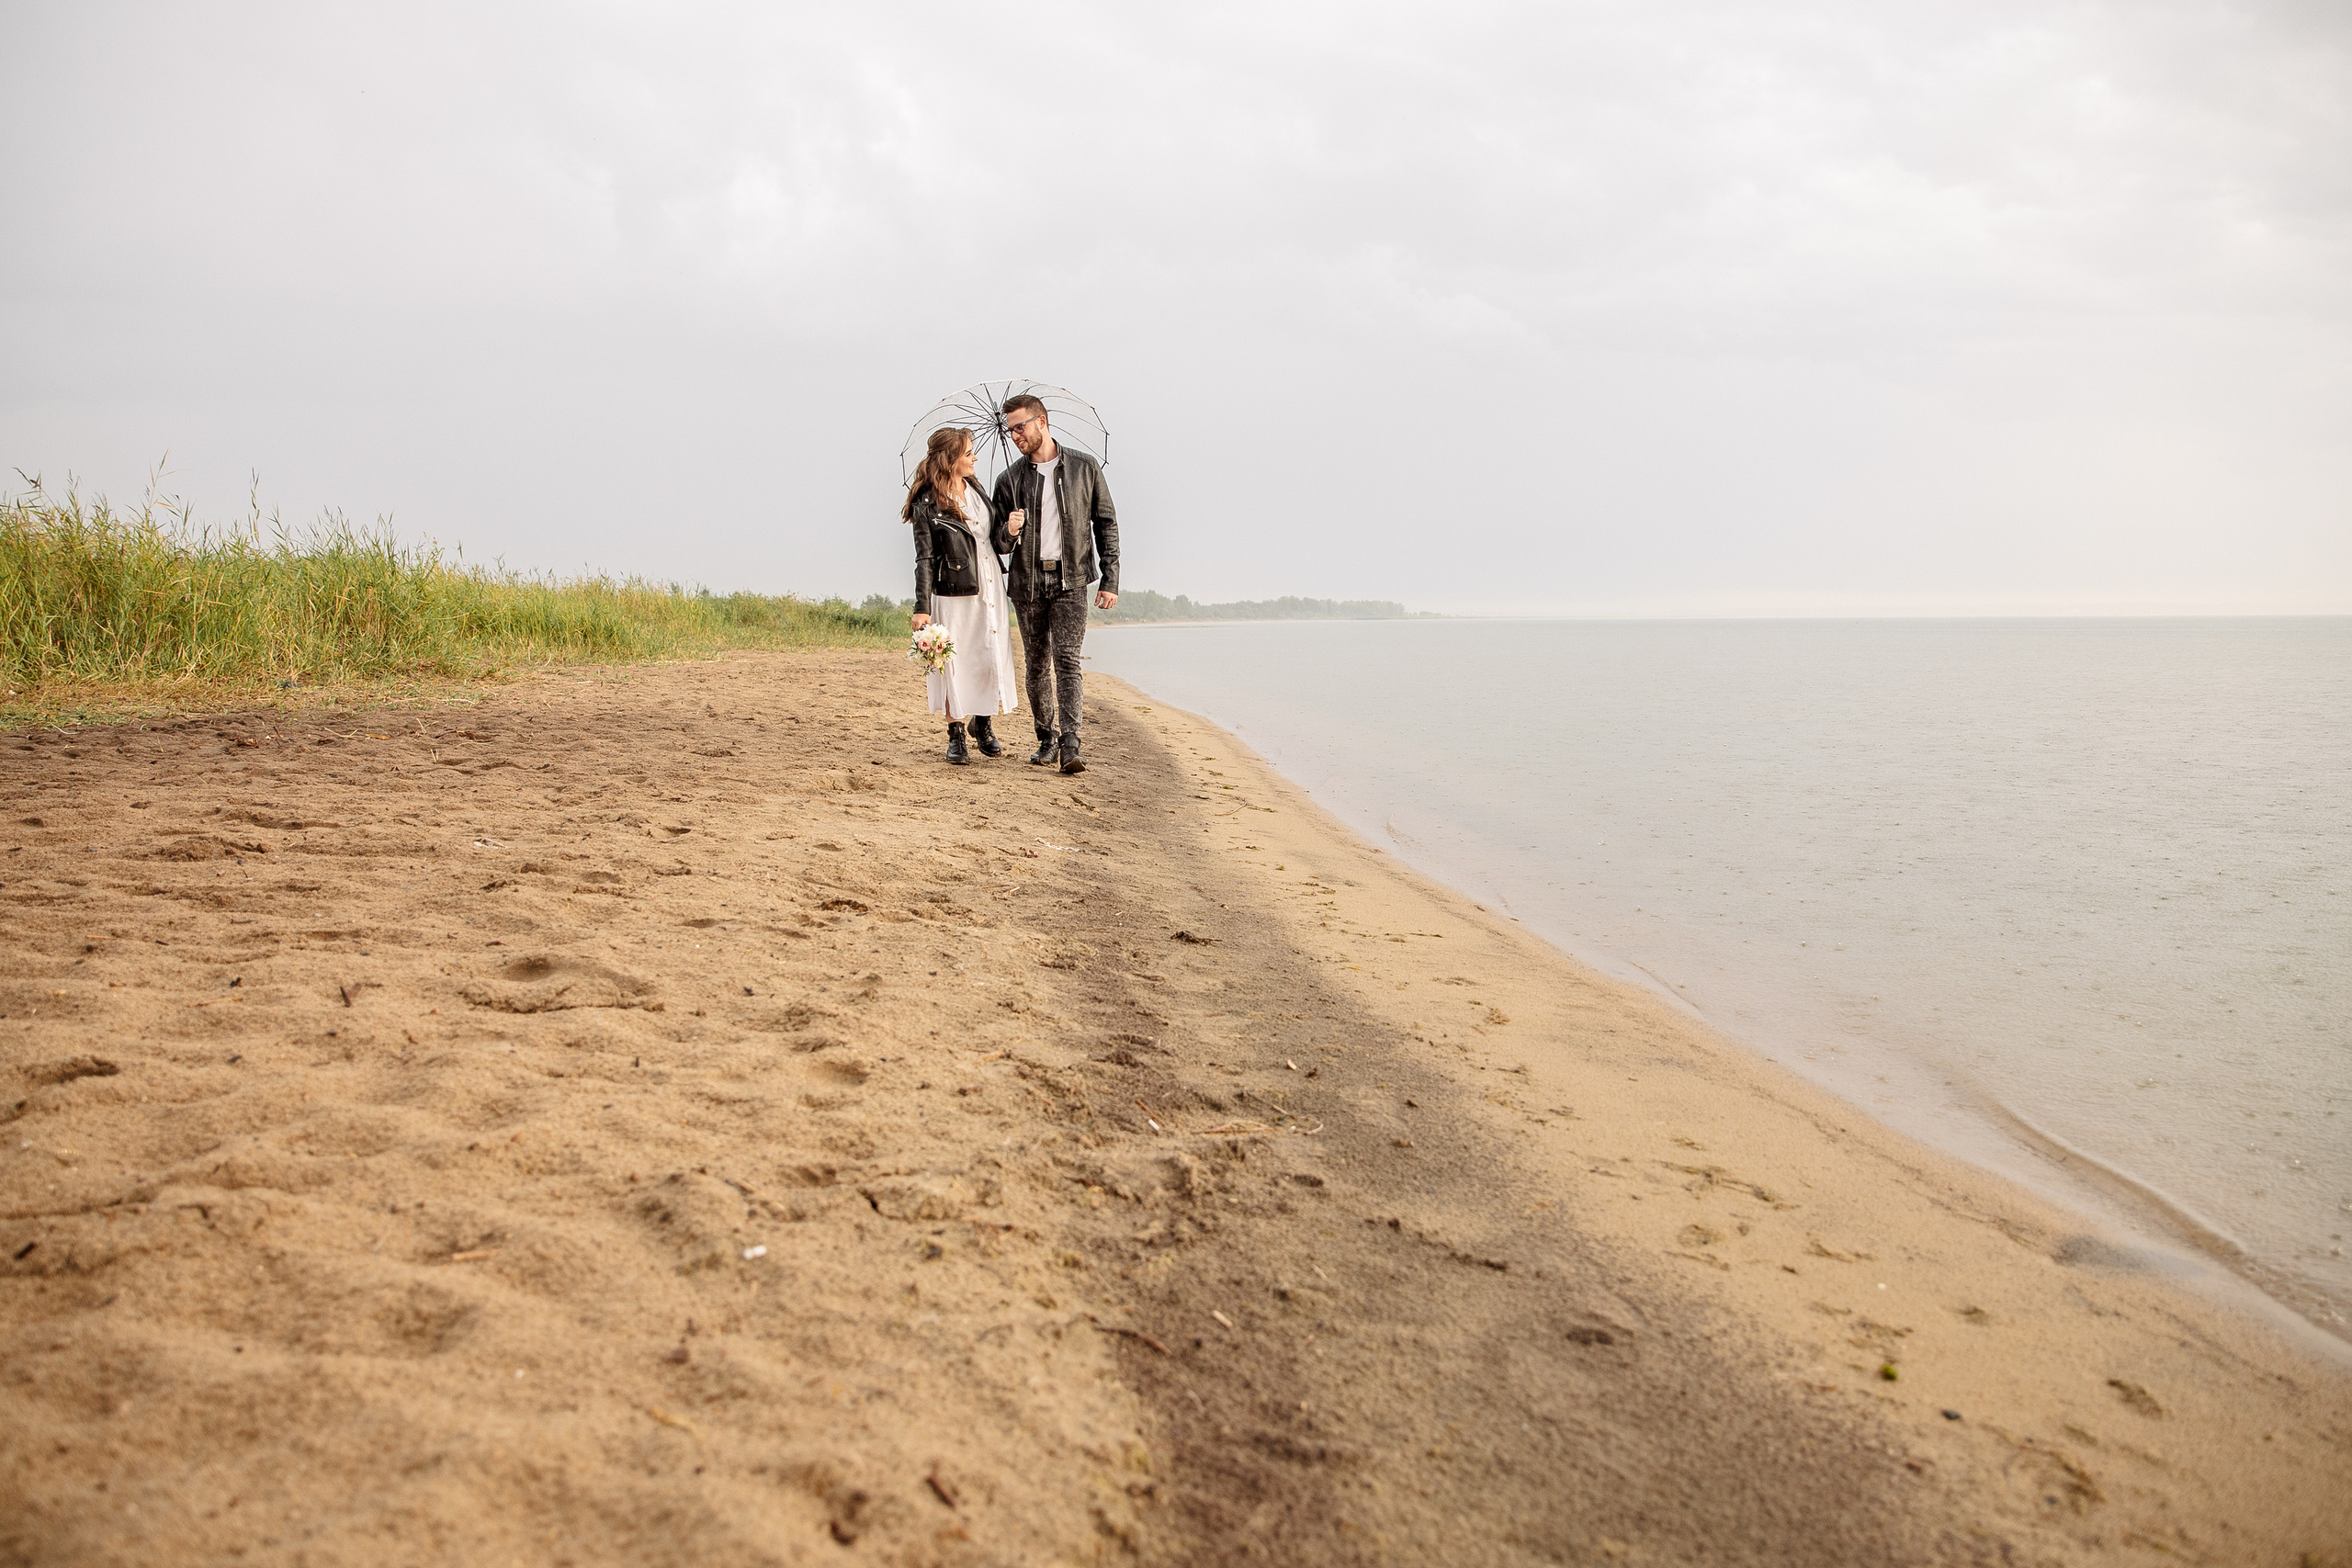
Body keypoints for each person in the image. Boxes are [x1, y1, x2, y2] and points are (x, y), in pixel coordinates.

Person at [989, 393, 1119, 774]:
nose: (1015, 435)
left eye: (1020, 427)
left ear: (1041, 422)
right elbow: (997, 543)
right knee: (1036, 664)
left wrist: (1110, 579)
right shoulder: (1008, 480)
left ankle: (1070, 744)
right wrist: (1010, 530)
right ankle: (1046, 738)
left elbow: (1106, 525)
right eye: (1010, 430)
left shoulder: (1084, 467)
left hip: (1072, 579)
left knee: (1067, 661)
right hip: (1027, 582)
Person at [903, 426, 1018, 764]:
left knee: (989, 652)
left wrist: (1011, 531)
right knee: (953, 662)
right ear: (949, 459)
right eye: (968, 454)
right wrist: (922, 607)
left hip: (990, 585)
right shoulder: (927, 502)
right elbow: (925, 558)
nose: (974, 458)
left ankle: (982, 722)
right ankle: (955, 734)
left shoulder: (977, 490)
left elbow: (994, 542)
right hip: (953, 593)